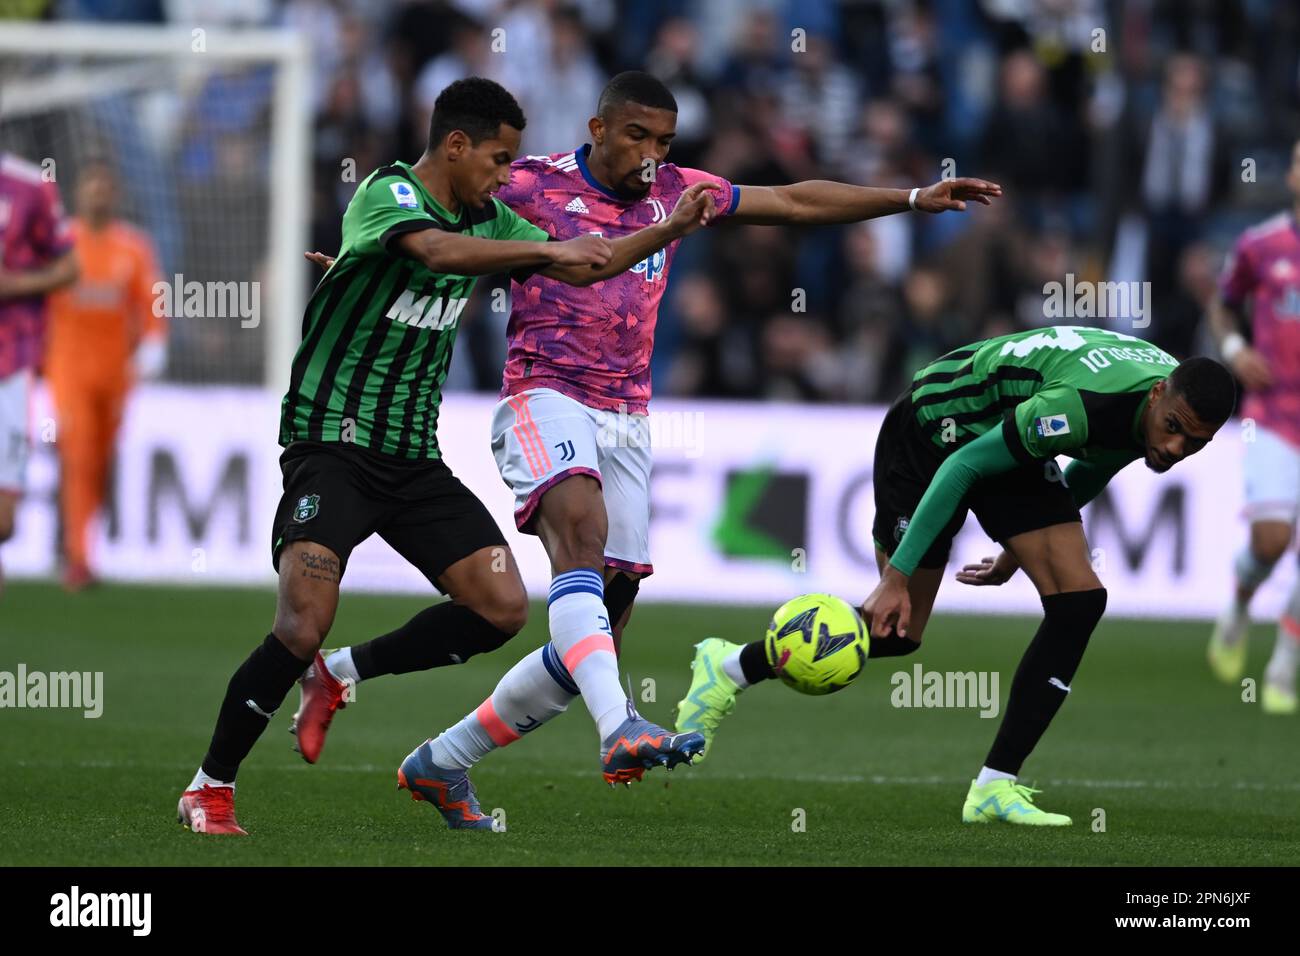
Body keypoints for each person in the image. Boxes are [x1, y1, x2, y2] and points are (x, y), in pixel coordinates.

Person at [300, 71, 1000, 820]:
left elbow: (793, 201)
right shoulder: (529, 184)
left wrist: (912, 198)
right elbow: (429, 220)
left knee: (594, 636)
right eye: (636, 137)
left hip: (628, 420)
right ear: (598, 130)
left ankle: (440, 758)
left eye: (664, 142)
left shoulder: (681, 191)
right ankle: (621, 728)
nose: (649, 156)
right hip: (544, 395)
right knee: (582, 536)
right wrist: (357, 271)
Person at [176, 77, 714, 835]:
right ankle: (210, 785)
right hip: (332, 444)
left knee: (500, 609)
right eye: (498, 160)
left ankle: (341, 675)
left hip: (411, 459)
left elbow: (586, 263)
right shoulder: (387, 195)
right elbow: (432, 250)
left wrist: (660, 231)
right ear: (455, 146)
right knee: (301, 625)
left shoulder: (493, 220)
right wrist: (531, 249)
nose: (505, 178)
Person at [679, 325, 1236, 825]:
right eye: (1173, 430)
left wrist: (1016, 554)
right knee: (898, 631)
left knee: (1079, 602)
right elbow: (964, 465)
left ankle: (995, 786)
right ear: (1159, 392)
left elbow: (1093, 463)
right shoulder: (1079, 404)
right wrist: (896, 576)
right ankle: (729, 666)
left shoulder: (1149, 407)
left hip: (1005, 429)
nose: (1173, 449)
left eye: (1195, 444)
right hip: (933, 428)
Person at [1205, 139, 1300, 716]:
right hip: (1272, 414)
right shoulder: (1261, 245)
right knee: (1272, 541)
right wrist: (1236, 347)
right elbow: (1222, 303)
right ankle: (1240, 603)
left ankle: (1285, 661)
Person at [45, 158, 167, 591]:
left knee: (100, 462)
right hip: (69, 369)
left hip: (116, 374)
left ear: (114, 195)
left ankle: (73, 539)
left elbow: (151, 300)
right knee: (77, 455)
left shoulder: (133, 247)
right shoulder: (60, 241)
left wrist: (154, 342)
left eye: (105, 187)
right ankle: (79, 558)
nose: (98, 194)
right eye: (91, 186)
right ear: (80, 193)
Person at [0, 151, 78, 594]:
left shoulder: (29, 185)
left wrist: (14, 285)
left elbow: (70, 267)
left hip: (9, 363)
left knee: (4, 521)